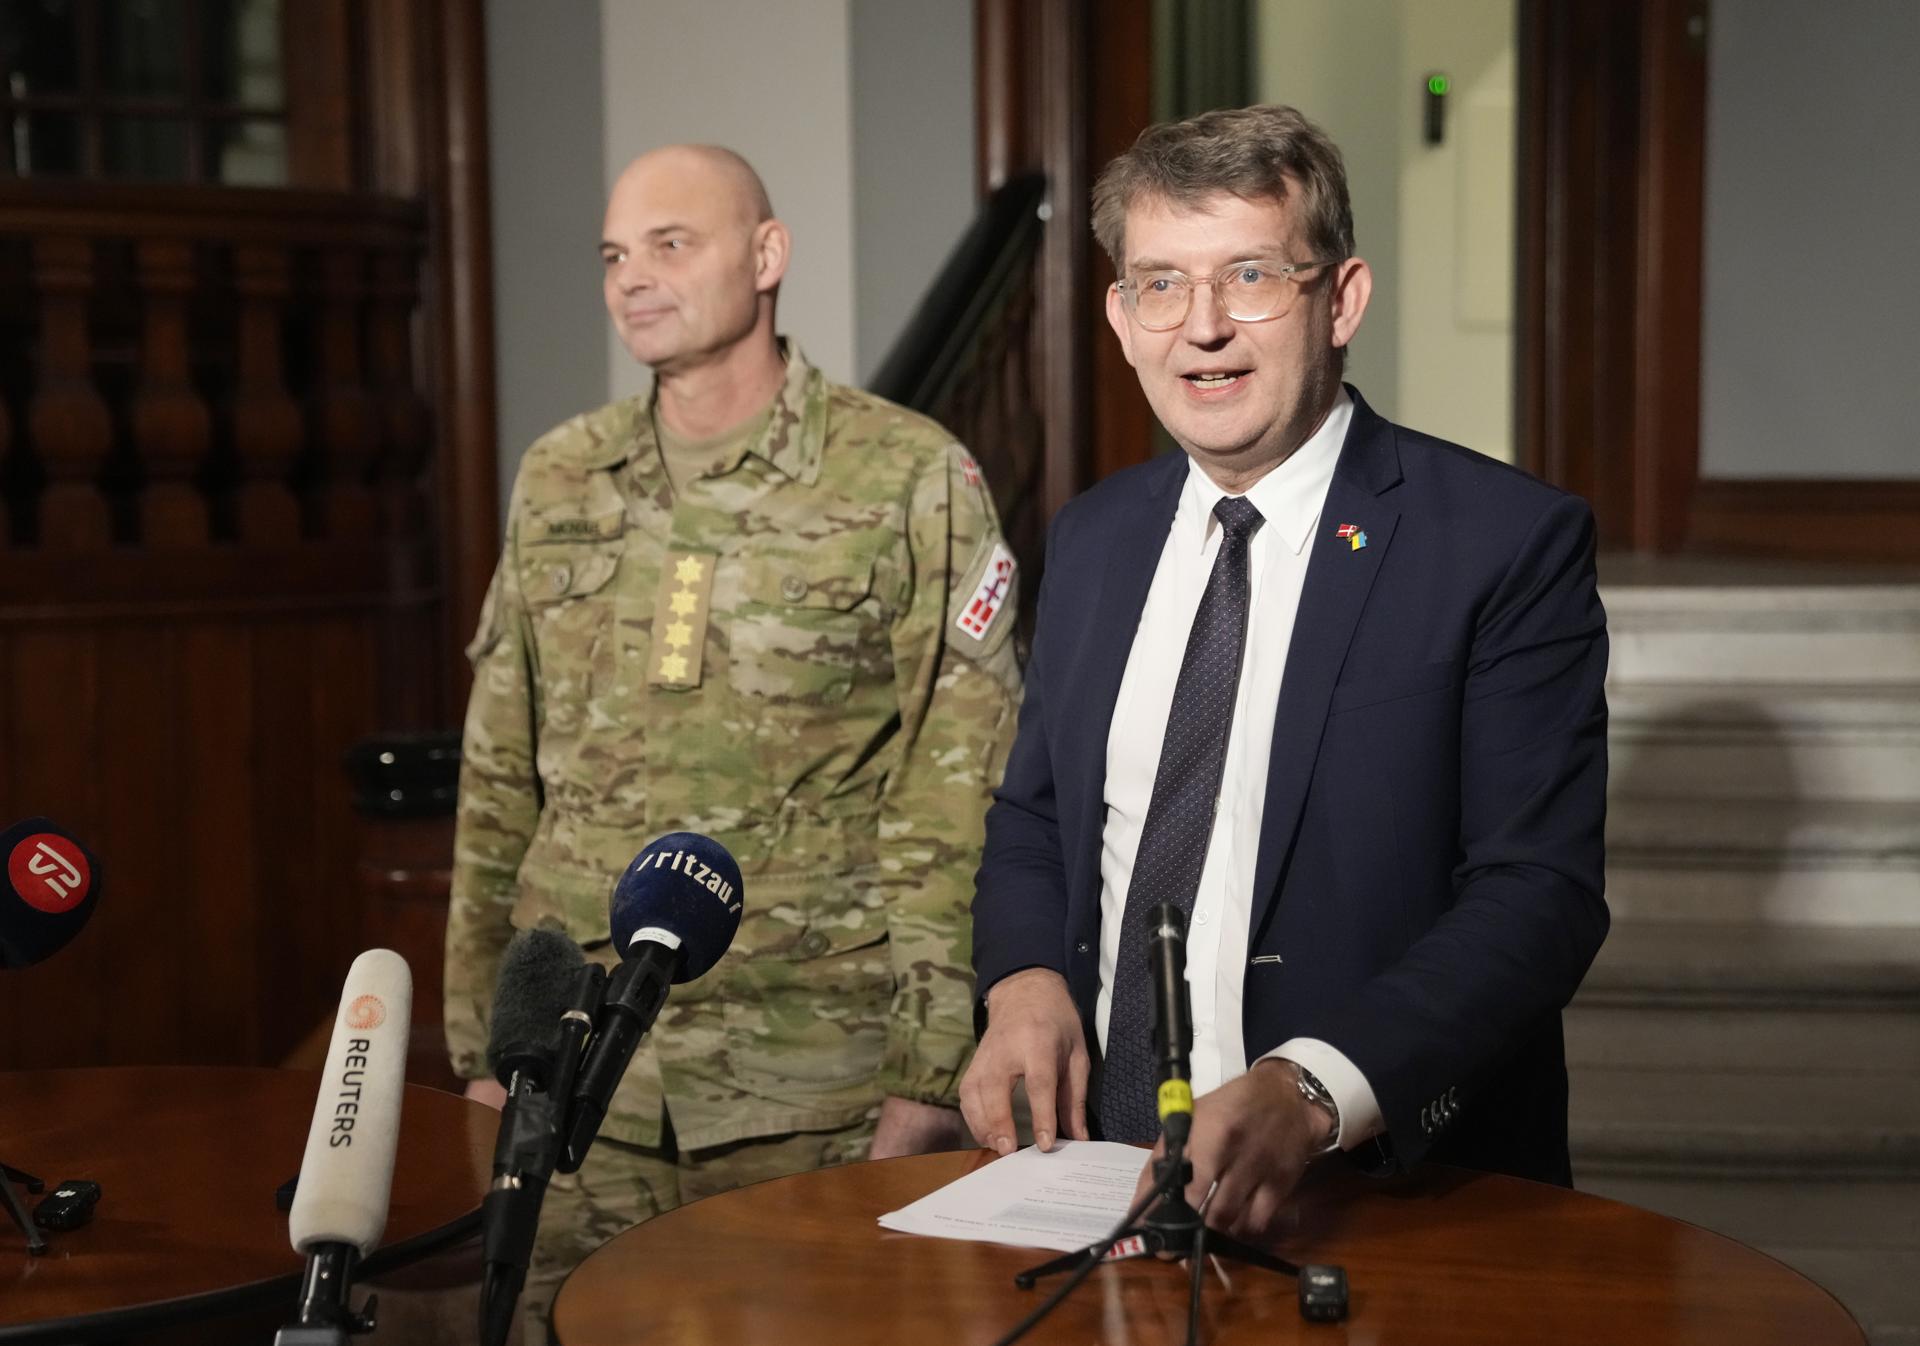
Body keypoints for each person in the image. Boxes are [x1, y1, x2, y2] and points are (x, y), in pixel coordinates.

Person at [961, 104, 1609, 1244]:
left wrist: (1315, 1086)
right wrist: (1020, 980)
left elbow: (1538, 895)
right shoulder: (1096, 536)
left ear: (1342, 299)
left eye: (1249, 275)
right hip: (1097, 1185)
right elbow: (1035, 813)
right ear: (1119, 318)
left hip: (1380, 1206)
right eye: (1160, 284)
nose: (1202, 327)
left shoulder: (1502, 542)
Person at [446, 143, 1022, 1329]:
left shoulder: (910, 473)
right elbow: (500, 767)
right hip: (574, 1073)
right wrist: (475, 1043)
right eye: (614, 254)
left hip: (809, 1080)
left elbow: (954, 794)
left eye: (671, 243)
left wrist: (928, 1066)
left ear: (767, 256)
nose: (632, 279)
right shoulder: (561, 475)